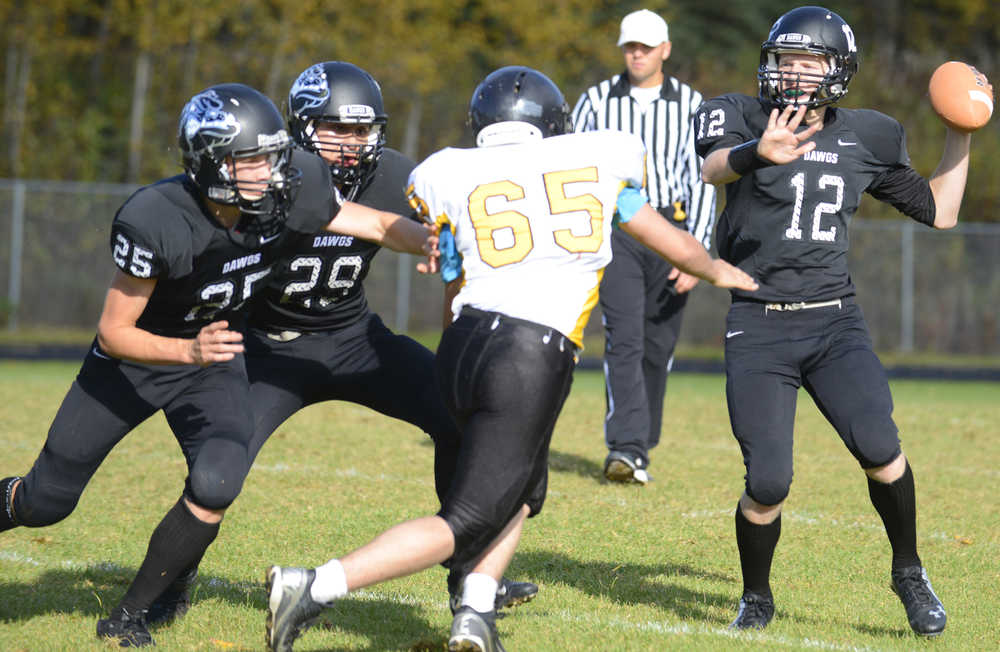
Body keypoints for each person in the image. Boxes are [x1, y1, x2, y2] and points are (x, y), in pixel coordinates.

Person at [264, 65, 758, 652]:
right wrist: (719, 269)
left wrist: (454, 363)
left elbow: (453, 281)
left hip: (468, 340)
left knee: (521, 488)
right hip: (531, 350)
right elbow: (658, 232)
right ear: (555, 123)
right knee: (470, 518)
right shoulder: (597, 159)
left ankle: (474, 613)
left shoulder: (451, 173)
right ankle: (314, 585)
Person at [0, 82, 436, 647]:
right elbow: (114, 332)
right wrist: (187, 350)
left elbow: (375, 224)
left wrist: (429, 242)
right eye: (252, 160)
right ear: (210, 163)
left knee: (216, 481)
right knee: (46, 502)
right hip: (139, 357)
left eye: (273, 156)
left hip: (215, 357)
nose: (271, 172)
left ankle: (130, 615)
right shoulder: (158, 217)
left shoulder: (291, 194)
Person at [693, 6, 986, 637]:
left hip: (833, 324)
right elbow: (712, 166)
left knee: (882, 450)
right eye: (785, 60)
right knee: (768, 482)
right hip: (759, 324)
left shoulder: (868, 135)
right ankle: (756, 596)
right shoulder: (739, 116)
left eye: (809, 63)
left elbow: (940, 212)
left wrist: (959, 130)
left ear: (837, 73)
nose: (793, 74)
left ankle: (908, 571)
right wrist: (755, 153)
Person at [572, 8, 717, 485]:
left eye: (646, 47)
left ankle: (640, 447)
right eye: (630, 46)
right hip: (618, 231)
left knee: (658, 347)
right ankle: (625, 447)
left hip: (672, 231)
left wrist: (695, 251)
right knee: (624, 339)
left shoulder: (693, 104)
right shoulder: (594, 101)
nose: (637, 54)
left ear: (665, 50)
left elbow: (704, 180)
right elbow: (573, 167)